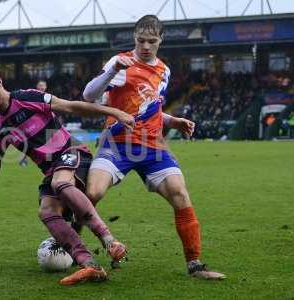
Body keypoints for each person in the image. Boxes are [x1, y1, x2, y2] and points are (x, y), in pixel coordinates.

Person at [0, 61, 134, 285]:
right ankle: (90, 265)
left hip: (73, 152)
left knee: (59, 184)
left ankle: (110, 241)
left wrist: (115, 112)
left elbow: (72, 107)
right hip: (54, 170)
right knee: (46, 211)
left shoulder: (28, 98)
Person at [82, 15, 225, 279]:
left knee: (179, 193)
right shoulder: (119, 62)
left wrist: (172, 121)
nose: (145, 46)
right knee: (92, 193)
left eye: (151, 41)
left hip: (152, 146)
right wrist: (113, 71)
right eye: (140, 40)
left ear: (161, 40)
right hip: (117, 143)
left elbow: (149, 109)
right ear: (134, 37)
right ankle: (73, 247)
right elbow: (88, 96)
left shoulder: (164, 70)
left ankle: (194, 264)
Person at [19, 80, 48, 167]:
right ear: (37, 87)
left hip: (45, 122)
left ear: (46, 87)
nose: (42, 87)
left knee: (48, 141)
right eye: (40, 85)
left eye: (43, 85)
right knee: (29, 142)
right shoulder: (32, 95)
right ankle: (24, 159)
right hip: (33, 123)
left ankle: (47, 161)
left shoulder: (48, 98)